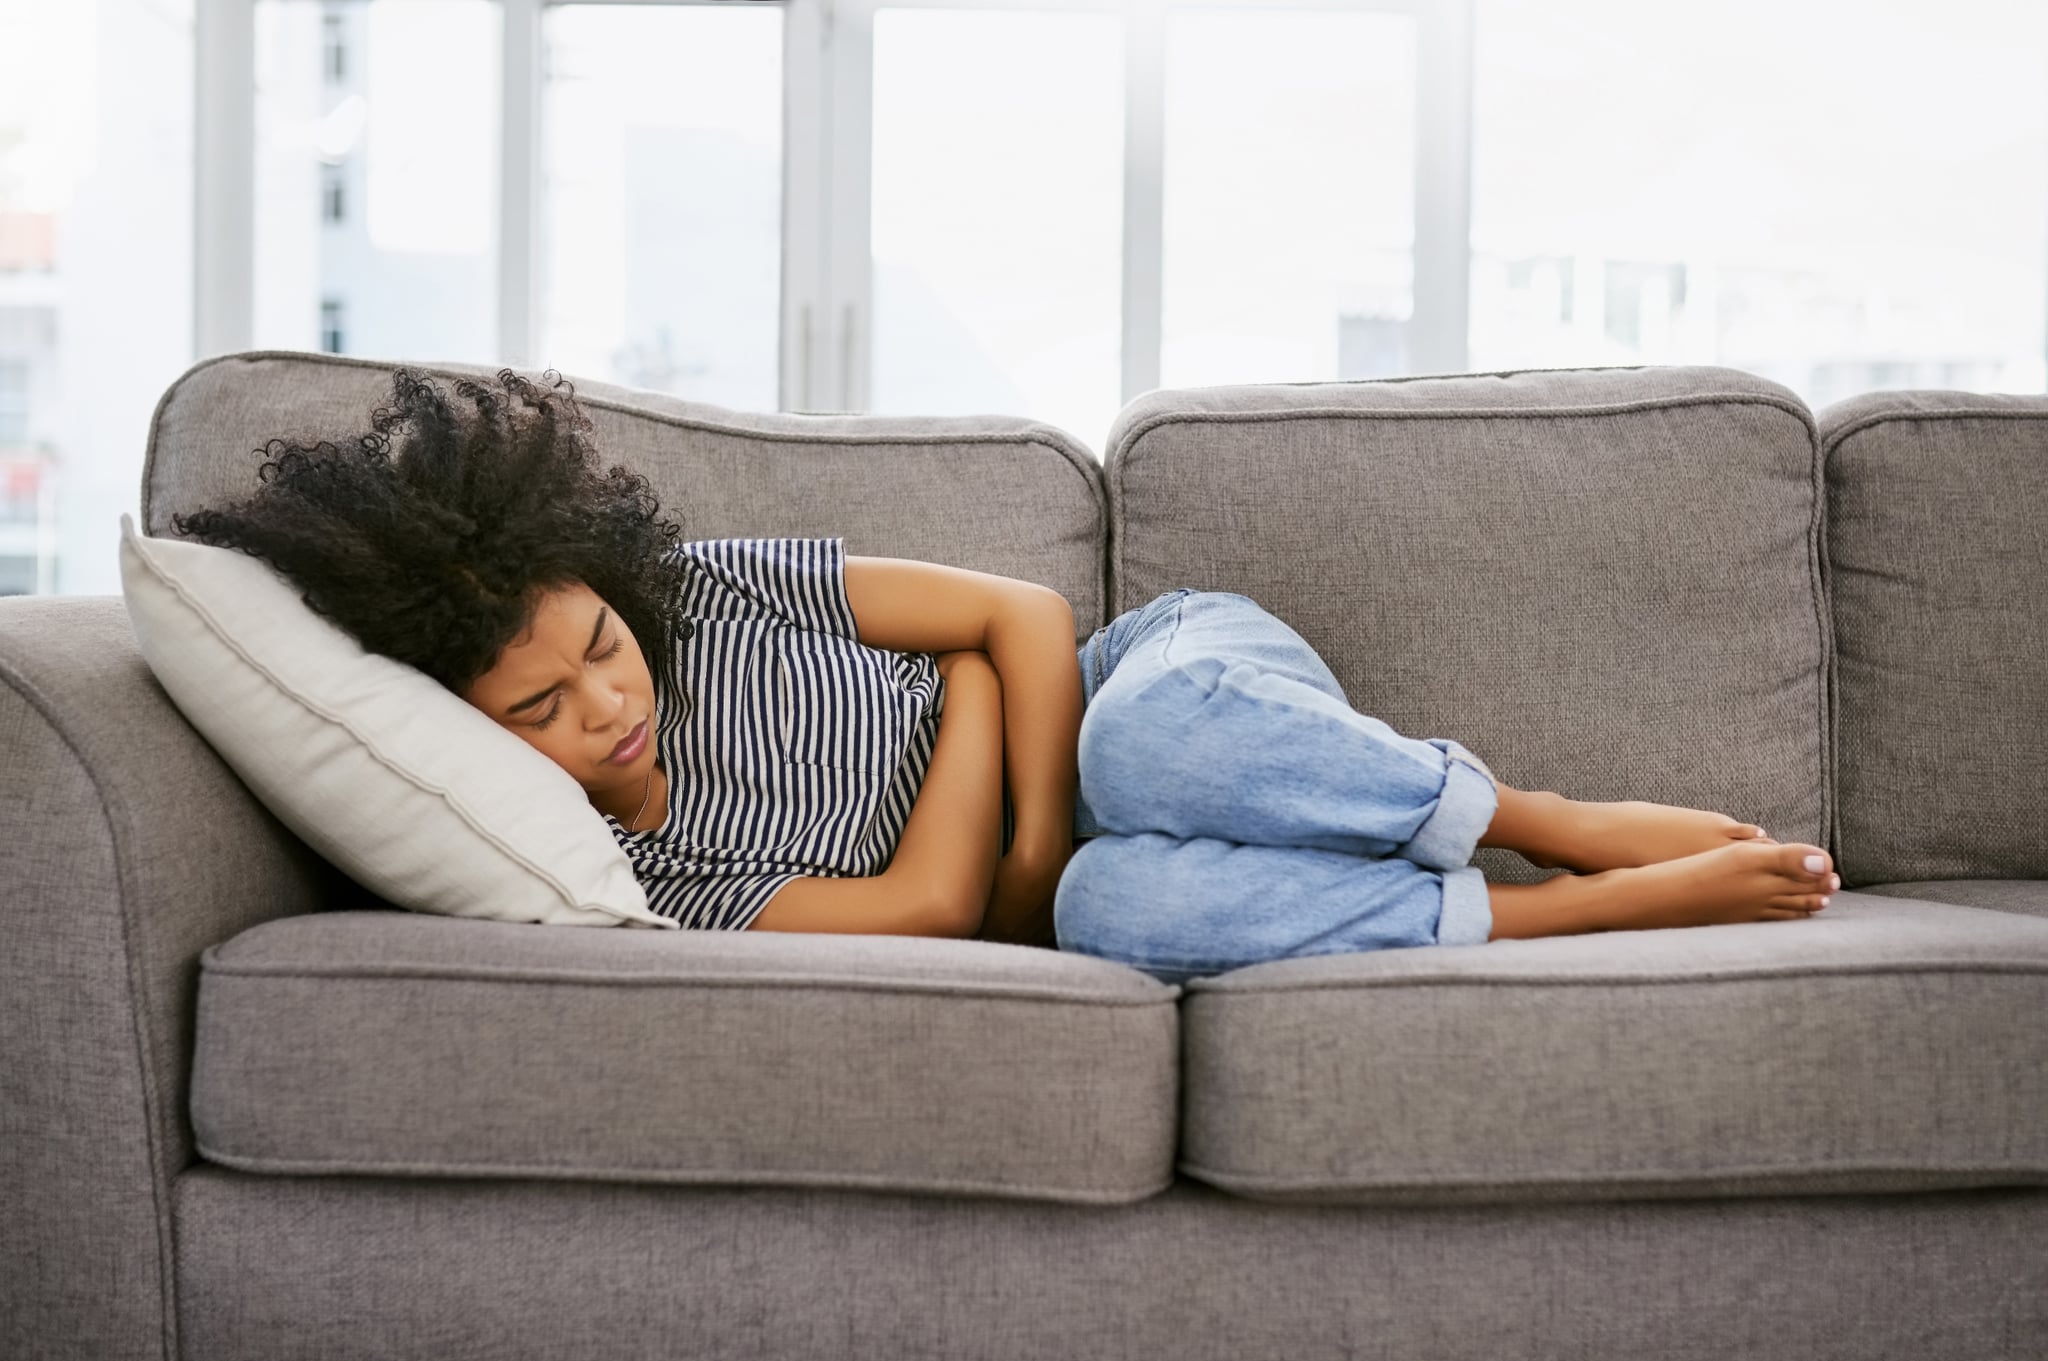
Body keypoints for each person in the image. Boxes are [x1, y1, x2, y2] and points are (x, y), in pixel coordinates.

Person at [172, 365, 1838, 981]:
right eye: (539, 711)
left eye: (600, 652)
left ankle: (1537, 815)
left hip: (1173, 693)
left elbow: (1034, 630)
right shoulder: (635, 872)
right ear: (453, 724)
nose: (608, 703)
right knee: (1125, 915)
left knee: (1135, 764)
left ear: (615, 589)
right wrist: (984, 734)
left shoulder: (704, 593)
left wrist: (1018, 838)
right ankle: (1573, 910)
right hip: (1128, 858)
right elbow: (908, 920)